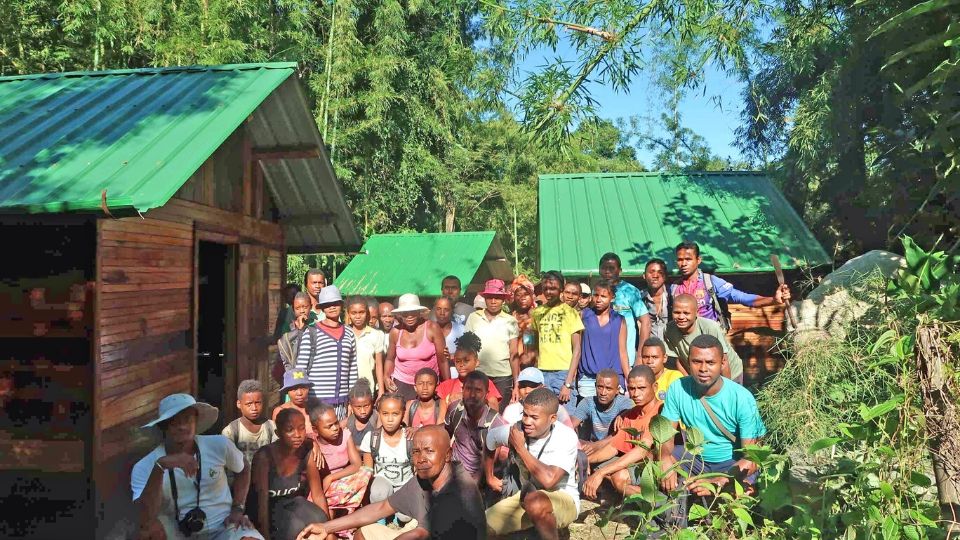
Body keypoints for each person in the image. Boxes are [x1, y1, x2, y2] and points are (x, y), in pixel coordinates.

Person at [295, 426, 487, 540]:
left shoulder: (460, 490)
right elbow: (382, 508)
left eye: (429, 451)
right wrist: (326, 527)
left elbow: (420, 534)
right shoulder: (424, 479)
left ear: (447, 455)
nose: (420, 458)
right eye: (416, 452)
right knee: (366, 531)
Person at [657, 335, 766, 527]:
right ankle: (671, 523)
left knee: (742, 492)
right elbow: (665, 434)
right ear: (688, 362)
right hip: (696, 459)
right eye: (696, 361)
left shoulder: (741, 398)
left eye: (710, 362)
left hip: (731, 462)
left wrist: (718, 481)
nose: (703, 369)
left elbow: (752, 458)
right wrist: (665, 459)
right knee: (658, 463)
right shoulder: (677, 389)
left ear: (723, 362)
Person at [131, 393, 262, 540]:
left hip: (223, 525)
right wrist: (161, 466)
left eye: (187, 419)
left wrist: (238, 508)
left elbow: (243, 469)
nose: (182, 426)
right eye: (174, 422)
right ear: (163, 427)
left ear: (196, 421)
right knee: (147, 532)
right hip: (177, 530)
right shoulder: (146, 465)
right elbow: (144, 517)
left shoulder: (218, 444)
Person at [485, 389, 580, 540]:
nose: (527, 421)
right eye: (525, 414)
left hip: (562, 497)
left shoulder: (565, 436)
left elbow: (549, 481)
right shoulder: (517, 431)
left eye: (534, 417)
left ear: (553, 418)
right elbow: (490, 439)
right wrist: (489, 477)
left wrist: (521, 449)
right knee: (481, 527)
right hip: (525, 498)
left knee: (535, 503)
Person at [671, 241, 790, 331]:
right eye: (680, 260)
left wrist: (773, 300)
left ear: (698, 260)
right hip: (683, 343)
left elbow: (742, 297)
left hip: (710, 342)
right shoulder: (674, 288)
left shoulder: (711, 282)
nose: (684, 264)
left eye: (688, 259)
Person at [582, 365, 661, 498]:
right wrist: (585, 461)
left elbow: (641, 450)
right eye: (631, 389)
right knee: (595, 462)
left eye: (641, 388)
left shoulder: (660, 412)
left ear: (655, 387)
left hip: (655, 467)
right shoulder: (631, 414)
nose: (635, 394)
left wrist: (601, 473)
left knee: (619, 477)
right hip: (635, 464)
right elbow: (613, 447)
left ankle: (661, 505)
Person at [249, 409, 330, 540]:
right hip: (268, 507)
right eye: (289, 430)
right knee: (295, 528)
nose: (297, 434)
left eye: (301, 428)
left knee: (321, 519)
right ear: (278, 433)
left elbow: (318, 494)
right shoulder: (264, 457)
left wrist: (328, 528)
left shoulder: (306, 452)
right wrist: (265, 536)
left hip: (294, 503)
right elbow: (261, 502)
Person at [294, 286, 357, 419]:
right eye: (327, 304)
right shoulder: (311, 332)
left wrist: (352, 399)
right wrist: (301, 401)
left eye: (335, 303)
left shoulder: (349, 333)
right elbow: (301, 368)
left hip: (341, 403)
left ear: (341, 305)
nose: (332, 307)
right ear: (322, 308)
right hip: (316, 401)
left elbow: (352, 370)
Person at [530, 271, 584, 414]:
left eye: (553, 288)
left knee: (566, 419)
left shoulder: (570, 313)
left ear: (561, 289)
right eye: (545, 288)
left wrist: (568, 383)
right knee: (544, 418)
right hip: (542, 373)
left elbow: (577, 349)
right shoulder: (537, 312)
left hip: (563, 374)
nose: (548, 291)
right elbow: (533, 344)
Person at [309, 402, 373, 516]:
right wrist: (313, 443)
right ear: (315, 430)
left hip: (344, 480)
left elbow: (357, 464)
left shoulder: (345, 435)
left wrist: (331, 477)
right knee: (328, 514)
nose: (335, 428)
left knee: (365, 472)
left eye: (336, 423)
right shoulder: (311, 441)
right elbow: (303, 437)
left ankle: (348, 508)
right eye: (329, 426)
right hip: (322, 488)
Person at [465, 279, 520, 410]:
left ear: (503, 300)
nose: (493, 301)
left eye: (498, 297)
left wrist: (516, 384)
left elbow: (514, 353)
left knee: (498, 415)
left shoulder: (510, 321)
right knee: (476, 411)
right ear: (485, 298)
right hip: (478, 374)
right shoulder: (474, 317)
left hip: (502, 376)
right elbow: (467, 348)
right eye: (490, 297)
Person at [359, 393, 414, 522]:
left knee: (405, 517)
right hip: (383, 483)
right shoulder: (372, 438)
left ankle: (396, 519)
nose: (390, 419)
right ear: (378, 413)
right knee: (378, 492)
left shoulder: (411, 438)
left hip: (406, 484)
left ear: (403, 413)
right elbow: (368, 472)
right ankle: (381, 521)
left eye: (395, 414)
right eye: (385, 414)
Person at [664, 294, 744, 383]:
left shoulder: (710, 327)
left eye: (686, 313)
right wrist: (690, 383)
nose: (681, 317)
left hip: (730, 373)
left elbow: (723, 362)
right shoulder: (669, 330)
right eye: (677, 312)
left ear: (696, 313)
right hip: (701, 375)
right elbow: (679, 360)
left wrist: (726, 390)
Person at [384, 294, 449, 401]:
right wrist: (386, 377)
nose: (409, 316)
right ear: (400, 314)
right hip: (402, 383)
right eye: (405, 313)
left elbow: (442, 360)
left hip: (428, 384)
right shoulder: (396, 332)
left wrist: (447, 386)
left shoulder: (432, 328)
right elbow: (390, 358)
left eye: (413, 313)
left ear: (419, 313)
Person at [444, 370, 502, 481]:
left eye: (478, 390)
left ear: (487, 394)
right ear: (462, 390)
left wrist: (472, 486)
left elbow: (490, 461)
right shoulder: (454, 410)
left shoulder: (495, 422)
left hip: (478, 479)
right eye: (468, 389)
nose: (472, 395)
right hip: (452, 471)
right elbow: (445, 436)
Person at [598, 252, 651, 368]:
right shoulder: (596, 293)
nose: (607, 272)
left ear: (620, 271)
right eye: (604, 268)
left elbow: (645, 322)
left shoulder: (629, 291)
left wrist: (640, 356)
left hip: (625, 361)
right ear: (599, 270)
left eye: (611, 268)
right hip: (600, 361)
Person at [578, 279, 629, 398]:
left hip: (614, 379)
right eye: (596, 295)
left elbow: (623, 352)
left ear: (612, 297)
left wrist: (629, 379)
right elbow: (577, 348)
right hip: (588, 379)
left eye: (603, 296)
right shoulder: (583, 315)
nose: (599, 299)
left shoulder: (619, 320)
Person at [436, 332, 501, 410]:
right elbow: (440, 417)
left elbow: (495, 408)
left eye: (466, 361)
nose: (461, 364)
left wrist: (466, 396)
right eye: (458, 361)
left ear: (476, 362)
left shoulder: (486, 383)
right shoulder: (445, 386)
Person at [570, 369, 633, 448]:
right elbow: (571, 425)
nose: (603, 393)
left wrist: (623, 415)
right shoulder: (587, 402)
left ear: (617, 390)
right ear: (595, 385)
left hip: (614, 448)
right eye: (600, 387)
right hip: (592, 446)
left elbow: (621, 434)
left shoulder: (625, 403)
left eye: (608, 389)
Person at [223, 379, 277, 465]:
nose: (254, 408)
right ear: (239, 404)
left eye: (258, 403)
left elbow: (276, 456)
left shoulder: (271, 427)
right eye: (249, 404)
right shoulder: (231, 431)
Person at [500, 368, 573, 429]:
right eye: (523, 386)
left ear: (543, 387)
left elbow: (570, 436)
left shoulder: (557, 410)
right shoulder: (511, 410)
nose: (527, 391)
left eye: (532, 386)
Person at [346, 296, 387, 393]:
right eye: (354, 313)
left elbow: (379, 365)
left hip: (368, 387)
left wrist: (381, 390)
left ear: (367, 313)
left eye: (361, 312)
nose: (358, 316)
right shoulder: (344, 333)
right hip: (346, 387)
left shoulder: (376, 335)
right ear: (348, 314)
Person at [277, 292, 313, 377]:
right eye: (298, 308)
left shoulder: (314, 326)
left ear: (311, 307)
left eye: (305, 307)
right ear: (293, 310)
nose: (302, 311)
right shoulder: (288, 327)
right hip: (292, 372)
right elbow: (284, 343)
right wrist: (299, 330)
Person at [639, 337, 684, 401]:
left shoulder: (674, 377)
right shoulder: (639, 380)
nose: (649, 361)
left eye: (655, 357)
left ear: (665, 358)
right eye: (645, 357)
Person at [273, 369, 315, 437]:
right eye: (294, 389)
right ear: (287, 391)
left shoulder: (316, 409)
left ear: (308, 388)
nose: (299, 393)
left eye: (303, 388)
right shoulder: (280, 411)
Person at [509, 275, 537, 369]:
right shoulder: (511, 317)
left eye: (526, 294)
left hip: (535, 364)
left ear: (532, 296)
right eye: (518, 295)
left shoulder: (538, 315)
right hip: (516, 364)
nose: (522, 298)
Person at [434, 296, 465, 378]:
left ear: (452, 311)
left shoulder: (461, 330)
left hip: (455, 377)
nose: (442, 313)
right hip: (432, 378)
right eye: (438, 309)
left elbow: (470, 354)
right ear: (434, 310)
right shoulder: (427, 330)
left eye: (446, 309)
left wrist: (453, 356)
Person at [342, 379, 378, 448]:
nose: (363, 411)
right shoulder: (348, 422)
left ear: (372, 402)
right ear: (351, 406)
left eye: (366, 406)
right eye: (358, 407)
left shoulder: (376, 418)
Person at [641, 259, 671, 340]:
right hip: (649, 348)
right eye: (651, 272)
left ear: (665, 277)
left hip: (671, 349)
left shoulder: (673, 295)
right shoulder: (639, 298)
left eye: (660, 272)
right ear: (644, 275)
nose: (655, 276)